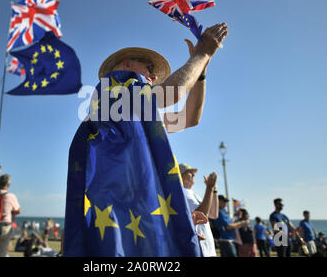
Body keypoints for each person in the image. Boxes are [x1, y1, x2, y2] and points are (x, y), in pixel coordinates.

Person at [65, 23, 229, 256]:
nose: (153, 76)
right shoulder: (118, 86)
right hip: (115, 213)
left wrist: (201, 69)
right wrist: (203, 53)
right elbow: (173, 92)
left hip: (124, 211)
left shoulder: (135, 109)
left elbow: (190, 118)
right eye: (149, 67)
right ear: (127, 65)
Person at [180, 163, 218, 257]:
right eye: (189, 172)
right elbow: (200, 215)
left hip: (208, 249)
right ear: (180, 175)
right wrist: (209, 188)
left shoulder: (194, 194)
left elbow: (213, 214)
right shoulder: (181, 193)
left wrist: (213, 190)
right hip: (199, 250)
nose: (193, 174)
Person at [0, 174, 21, 257]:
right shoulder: (10, 196)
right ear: (8, 185)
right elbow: (18, 210)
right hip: (5, 225)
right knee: (2, 250)